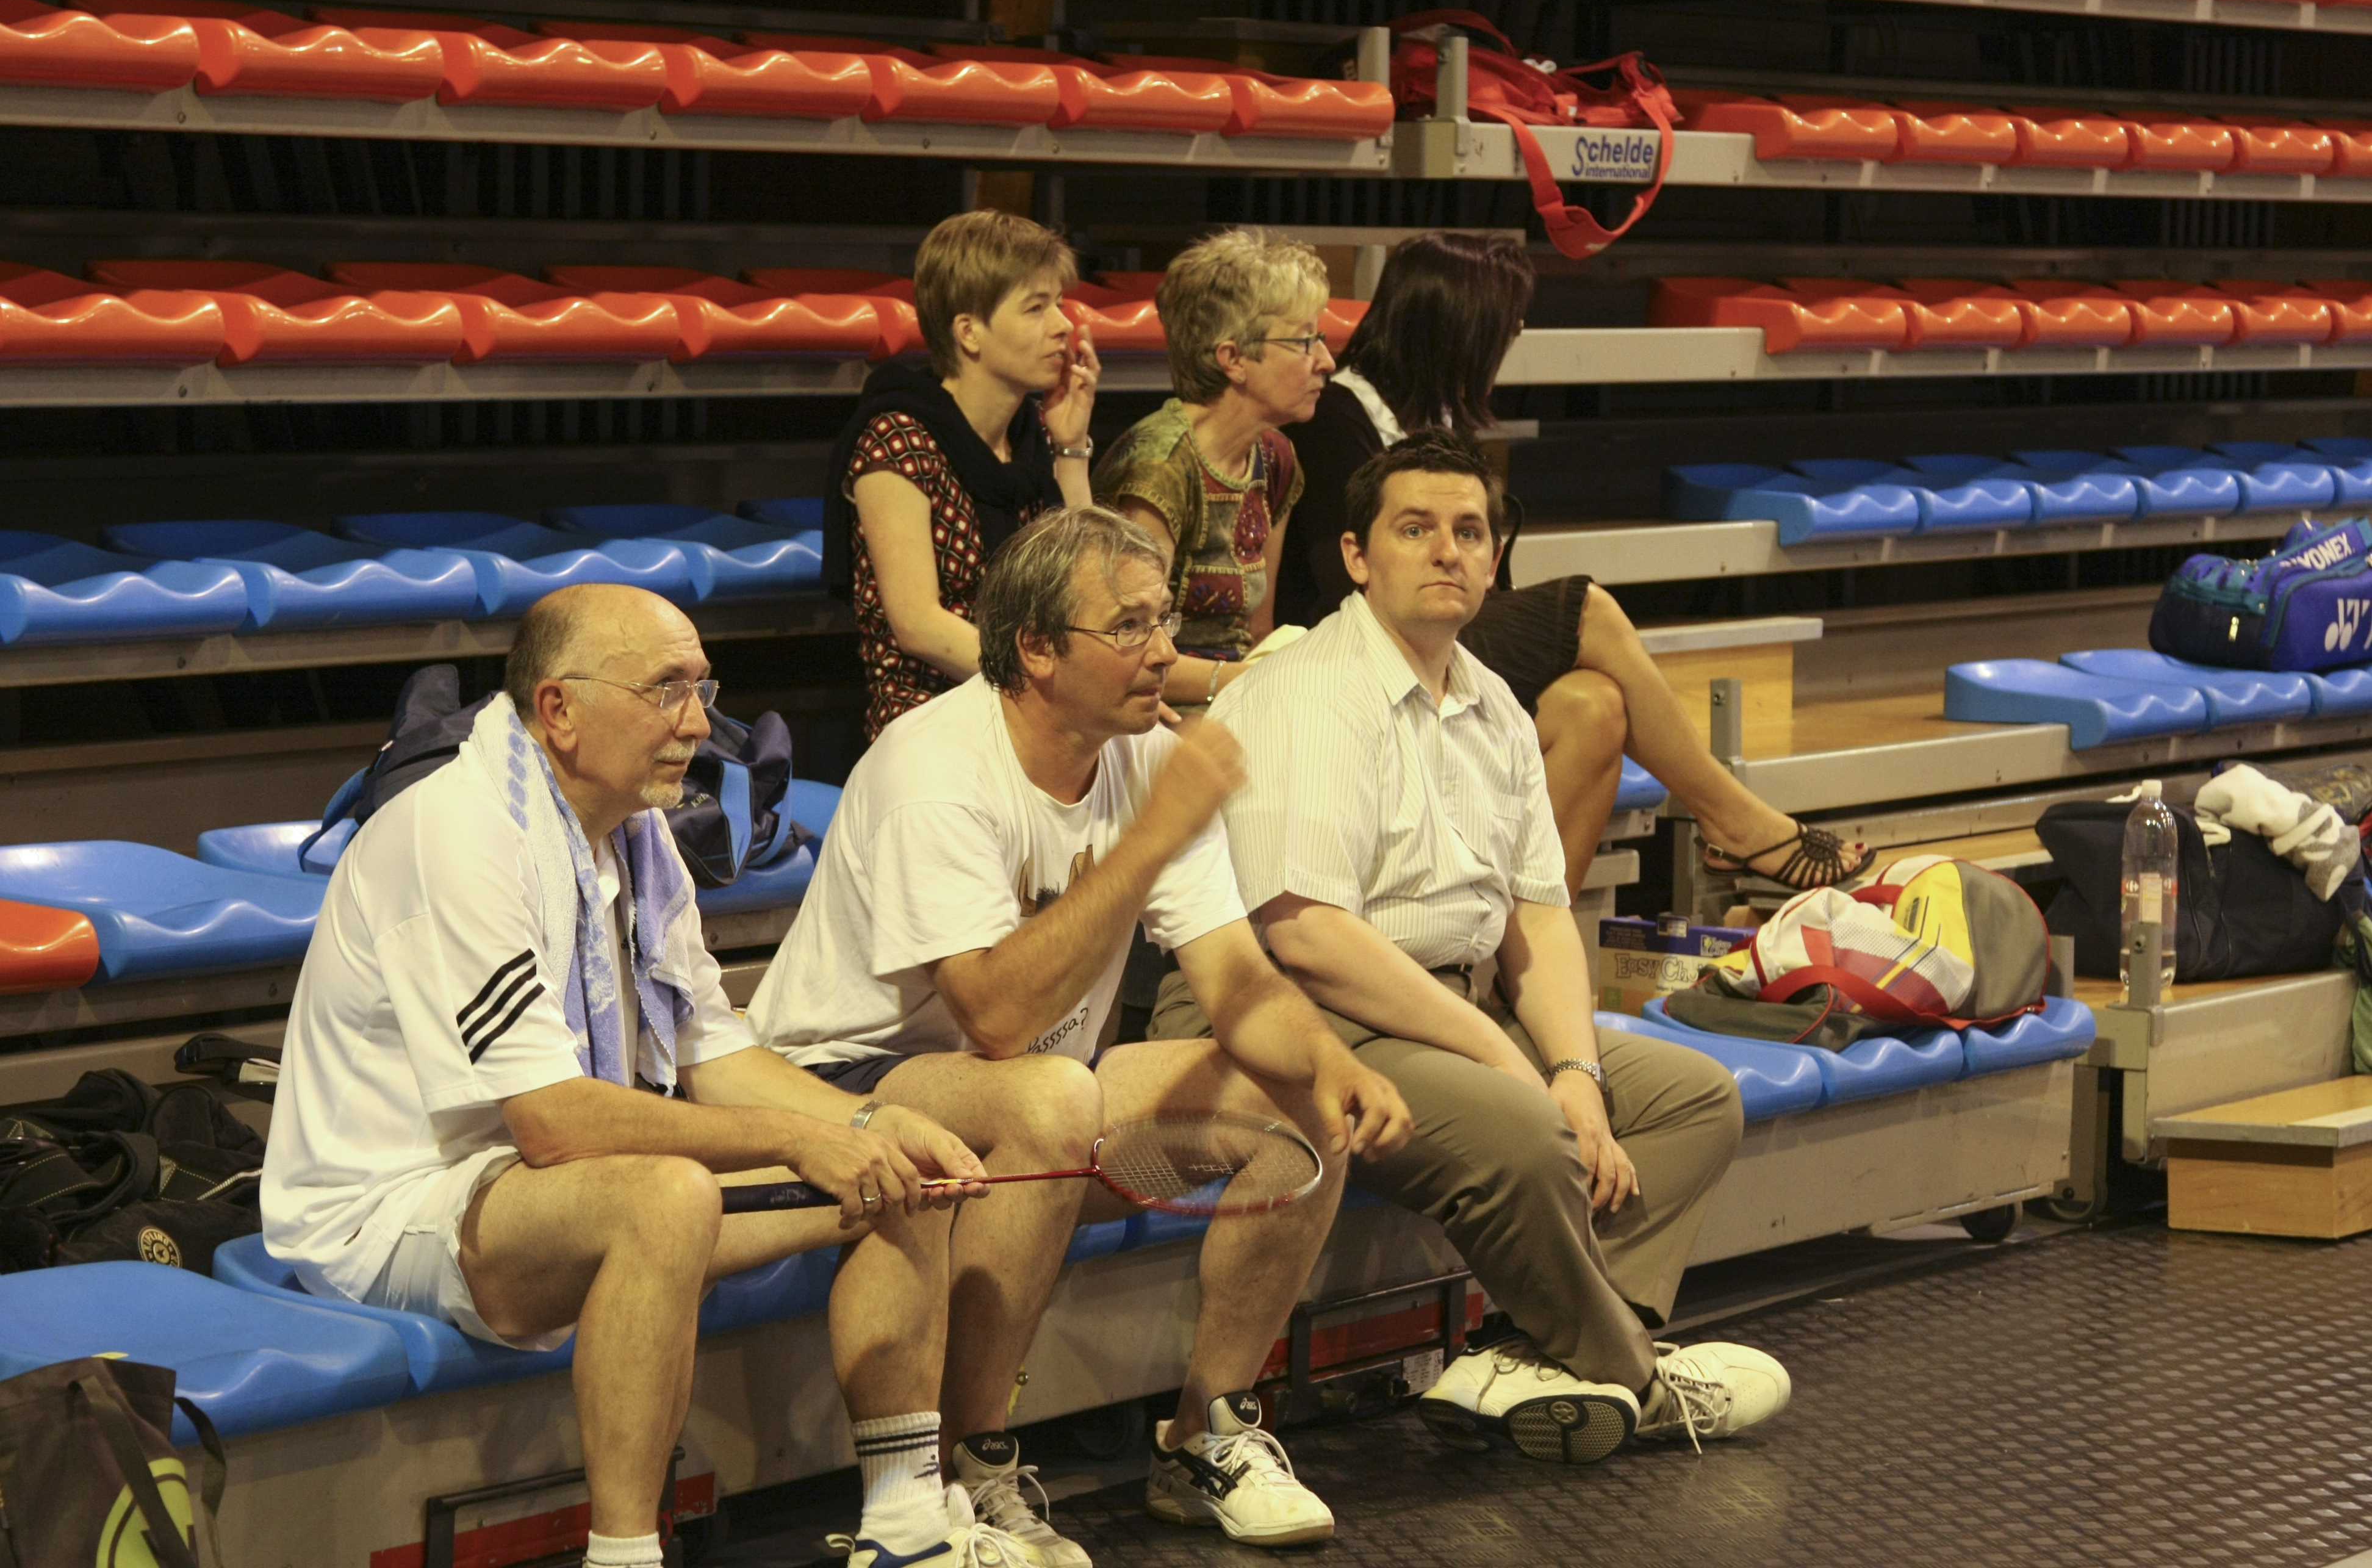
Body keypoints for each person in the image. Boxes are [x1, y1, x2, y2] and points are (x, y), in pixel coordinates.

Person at [261, 584, 1018, 1568]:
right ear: (559, 710)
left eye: (702, 689)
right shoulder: (455, 833)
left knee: (899, 1172)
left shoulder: (636, 834)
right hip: (390, 1211)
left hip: (534, 1191)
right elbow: (553, 1124)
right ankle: (624, 1557)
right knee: (664, 1198)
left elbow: (715, 1053)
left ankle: (908, 1521)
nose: (697, 724)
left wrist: (865, 1122)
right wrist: (803, 1139)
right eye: (665, 690)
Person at [746, 507, 1414, 1558]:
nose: (1165, 651)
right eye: (1130, 626)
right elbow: (994, 1017)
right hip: (845, 1084)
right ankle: (972, 1465)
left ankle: (1206, 1435)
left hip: (1031, 1093)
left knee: (1296, 1103)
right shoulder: (936, 767)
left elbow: (1235, 976)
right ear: (1038, 649)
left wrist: (1332, 1063)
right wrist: (1151, 837)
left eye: (1165, 618)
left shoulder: (1143, 755)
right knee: (1052, 1093)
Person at [1190, 431, 1792, 1464]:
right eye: (1415, 529)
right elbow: (1309, 934)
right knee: (1527, 1126)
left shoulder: (1493, 703)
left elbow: (1538, 915)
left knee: (1693, 1101)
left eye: (1469, 531)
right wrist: (1519, 1070)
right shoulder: (1308, 695)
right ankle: (1634, 1379)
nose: (1447, 551)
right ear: (1355, 555)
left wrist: (1576, 1073)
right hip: (1304, 1015)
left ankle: (1530, 1359)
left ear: (1494, 557)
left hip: (1445, 1005)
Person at [1274, 231, 1867, 896]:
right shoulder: (1338, 417)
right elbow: (1348, 590)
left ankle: (1525, 943)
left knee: (1597, 709)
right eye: (1507, 327)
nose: (1510, 342)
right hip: (1367, 653)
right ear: (1460, 328)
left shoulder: (1435, 420)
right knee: (1590, 611)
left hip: (1441, 641)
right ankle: (1734, 821)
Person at [826, 208, 1101, 741]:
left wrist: (1070, 446)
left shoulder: (1033, 432)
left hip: (1037, 709)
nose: (1064, 325)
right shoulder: (898, 438)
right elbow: (918, 625)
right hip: (933, 722)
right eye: (1036, 308)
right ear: (970, 332)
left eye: (1060, 304)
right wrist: (1057, 687)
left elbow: (1088, 577)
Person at [1093, 227, 1331, 711]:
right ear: (1234, 359)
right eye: (1306, 341)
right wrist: (1255, 683)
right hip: (1150, 709)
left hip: (1232, 696)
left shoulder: (1275, 457)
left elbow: (1256, 631)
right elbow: (1126, 653)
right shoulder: (1159, 468)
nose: (1326, 361)